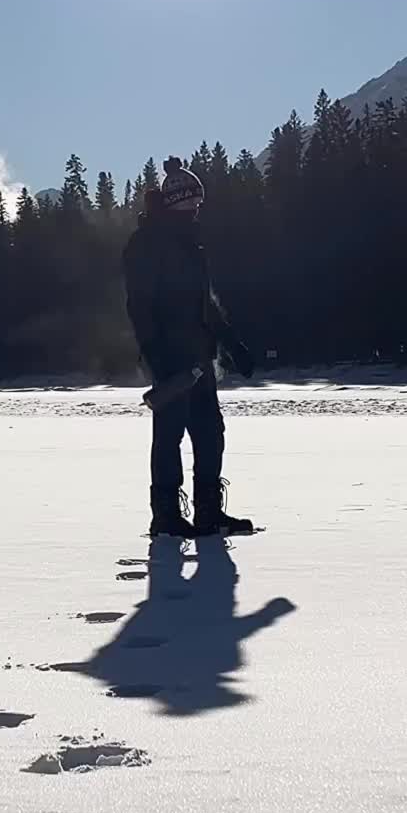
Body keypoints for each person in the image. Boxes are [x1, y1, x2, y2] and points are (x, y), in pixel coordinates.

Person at [122, 156, 255, 538]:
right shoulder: (147, 244)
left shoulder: (190, 244)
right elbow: (140, 304)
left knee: (211, 434)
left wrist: (232, 343)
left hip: (199, 358)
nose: (197, 210)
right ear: (177, 203)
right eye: (193, 203)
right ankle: (165, 516)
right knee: (169, 437)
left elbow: (205, 305)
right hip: (171, 362)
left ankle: (208, 512)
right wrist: (154, 354)